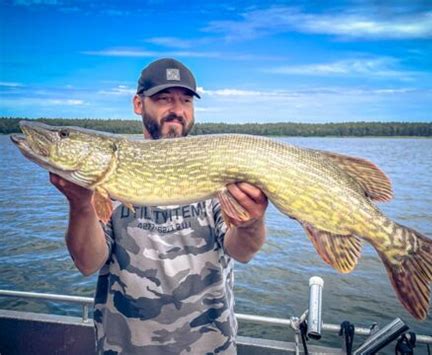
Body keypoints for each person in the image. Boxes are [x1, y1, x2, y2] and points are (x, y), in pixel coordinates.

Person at [50, 58, 268, 354]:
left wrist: (251, 221)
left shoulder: (218, 168)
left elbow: (243, 251)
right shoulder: (108, 177)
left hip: (210, 347)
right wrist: (81, 205)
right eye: (164, 99)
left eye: (186, 100)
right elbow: (88, 263)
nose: (177, 109)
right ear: (138, 104)